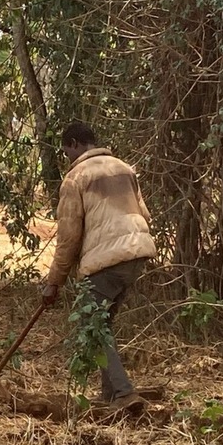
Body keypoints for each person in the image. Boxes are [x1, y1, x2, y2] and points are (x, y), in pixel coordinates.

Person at [41, 121, 157, 411]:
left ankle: (123, 392)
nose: (67, 156)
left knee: (92, 325)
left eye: (67, 150)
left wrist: (53, 282)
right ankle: (110, 393)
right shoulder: (124, 168)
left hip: (107, 259)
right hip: (137, 253)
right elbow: (144, 214)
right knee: (102, 325)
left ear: (75, 144)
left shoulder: (75, 178)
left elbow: (68, 237)